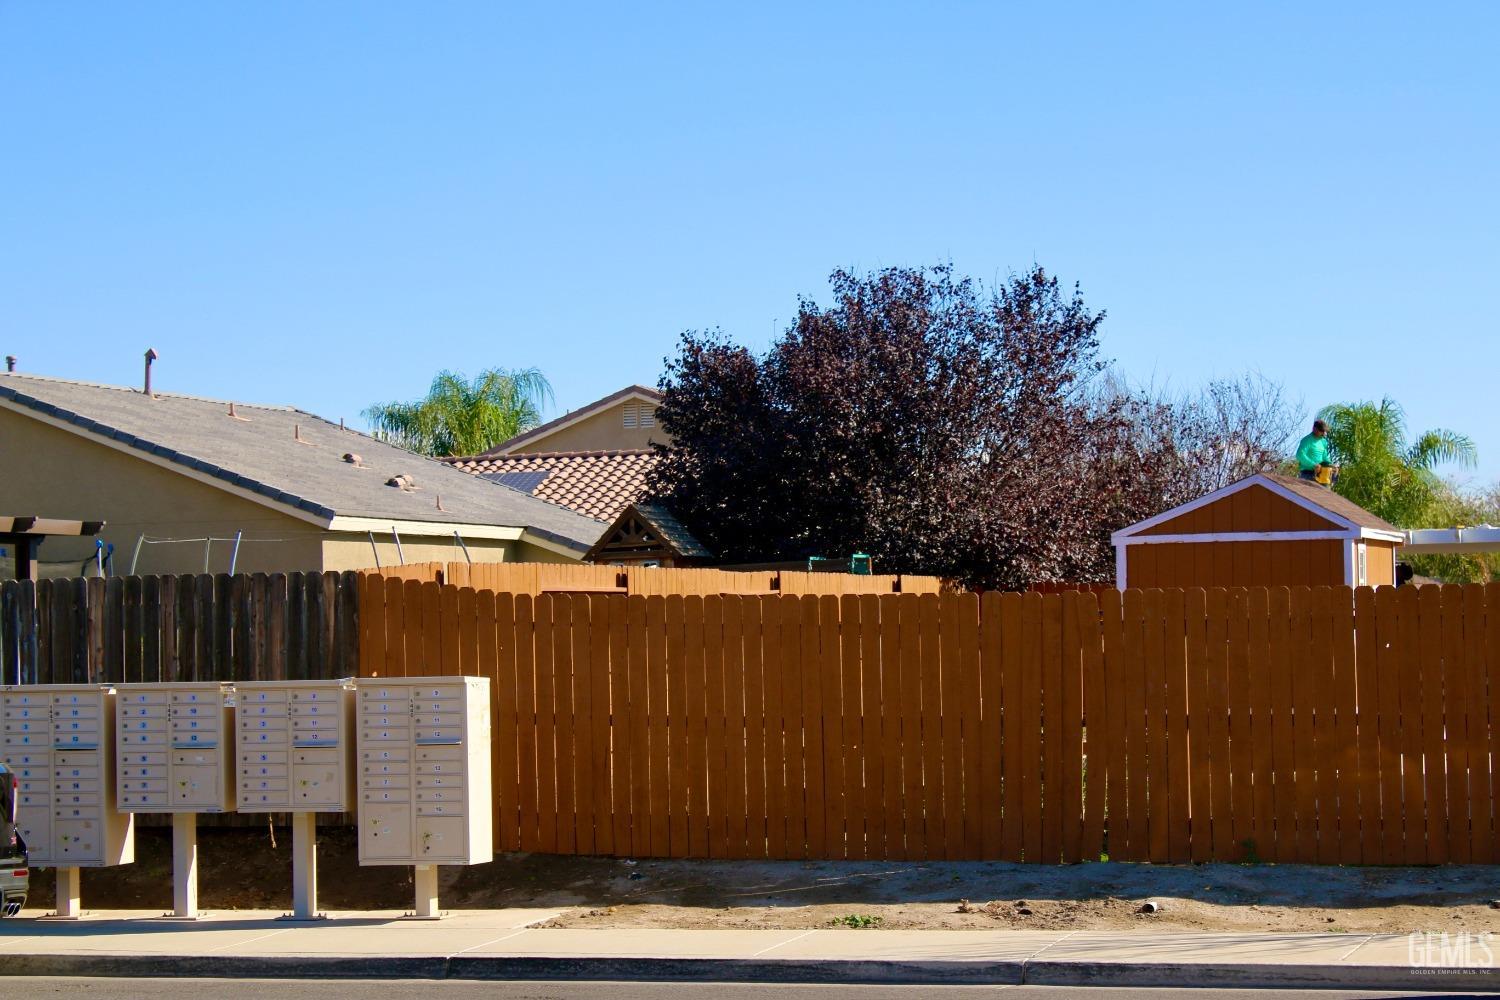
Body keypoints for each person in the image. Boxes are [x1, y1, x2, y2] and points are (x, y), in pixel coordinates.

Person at [1296, 419, 1337, 485]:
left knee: (1324, 493)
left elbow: (1324, 457)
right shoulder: (1307, 440)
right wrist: (1313, 465)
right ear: (1314, 429)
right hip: (1307, 474)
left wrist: (1331, 465)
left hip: (1321, 474)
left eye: (1325, 431)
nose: (1324, 433)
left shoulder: (1323, 441)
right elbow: (1299, 455)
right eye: (1321, 430)